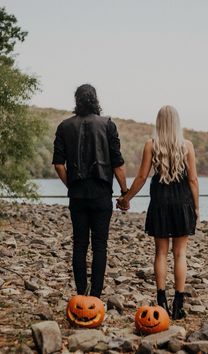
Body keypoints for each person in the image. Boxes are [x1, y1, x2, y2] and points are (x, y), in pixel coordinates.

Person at [117, 105, 199, 319]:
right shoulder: (187, 146)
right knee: (180, 253)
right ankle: (179, 304)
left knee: (160, 253)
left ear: (159, 123)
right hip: (182, 203)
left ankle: (161, 300)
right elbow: (193, 180)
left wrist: (126, 198)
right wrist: (196, 207)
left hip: (160, 203)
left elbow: (142, 177)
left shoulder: (151, 145)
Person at [52, 84, 128, 298]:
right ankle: (95, 295)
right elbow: (117, 164)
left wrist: (72, 185)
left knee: (79, 243)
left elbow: (59, 165)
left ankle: (80, 292)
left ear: (77, 100)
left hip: (77, 194)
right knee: (100, 244)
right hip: (101, 192)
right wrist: (124, 192)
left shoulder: (64, 126)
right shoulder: (107, 125)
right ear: (95, 100)